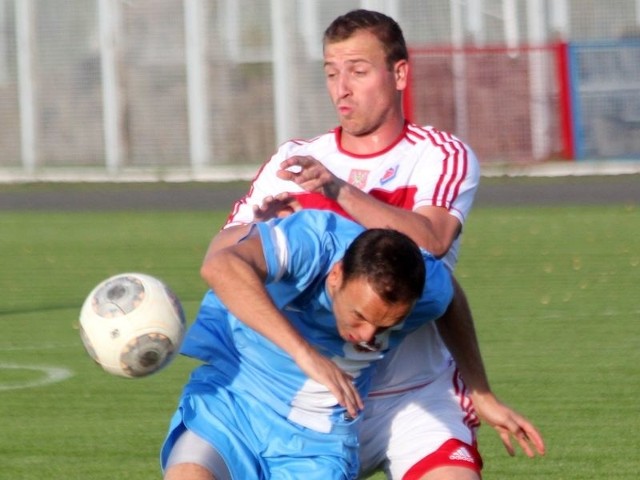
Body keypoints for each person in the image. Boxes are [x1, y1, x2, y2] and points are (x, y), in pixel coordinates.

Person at [209, 9, 545, 480]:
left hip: (415, 400)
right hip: (309, 402)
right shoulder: (294, 159)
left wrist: (337, 191)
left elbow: (433, 243)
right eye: (331, 72)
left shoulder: (438, 155)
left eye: (358, 71)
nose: (341, 88)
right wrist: (255, 232)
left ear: (400, 73)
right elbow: (221, 259)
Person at [161, 209, 470, 479]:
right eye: (359, 316)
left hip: (318, 440)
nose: (366, 336)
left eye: (385, 326)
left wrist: (481, 392)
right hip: (233, 402)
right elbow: (220, 266)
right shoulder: (313, 243)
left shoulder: (429, 291)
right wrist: (303, 353)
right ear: (336, 275)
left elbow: (450, 297)